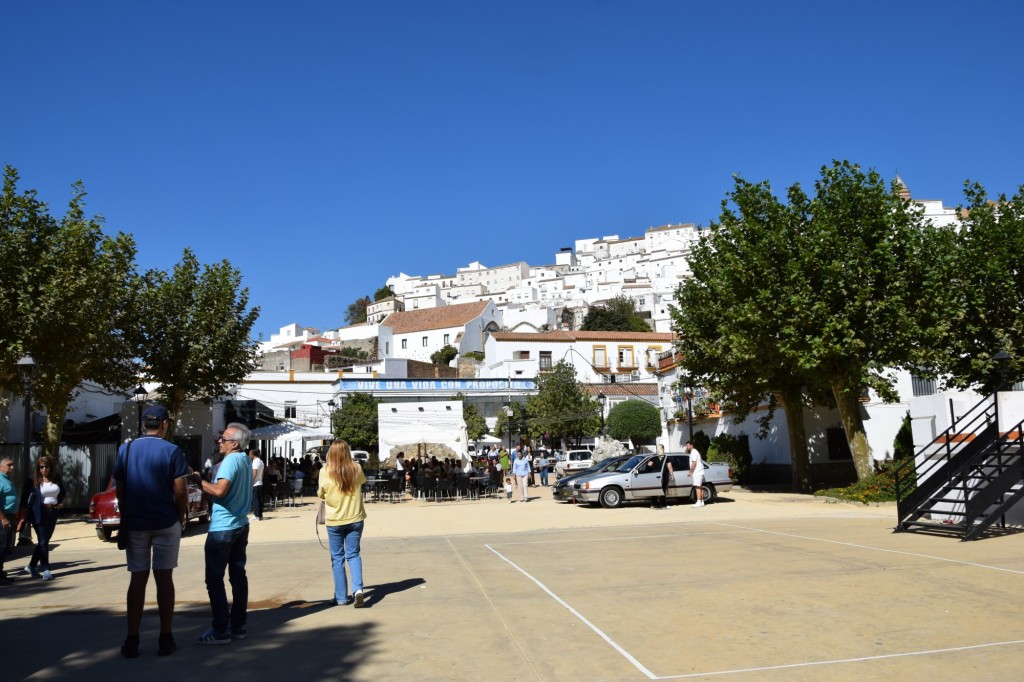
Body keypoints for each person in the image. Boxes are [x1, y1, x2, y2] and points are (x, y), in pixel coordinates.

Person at [114, 405, 189, 658]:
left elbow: (120, 488)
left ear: (144, 424)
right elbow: (180, 490)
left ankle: (131, 639)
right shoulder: (172, 450)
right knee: (164, 578)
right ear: (165, 424)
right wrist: (180, 516)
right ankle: (165, 637)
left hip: (136, 522)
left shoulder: (127, 449)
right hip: (165, 520)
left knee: (137, 578)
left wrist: (126, 514)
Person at [194, 422, 253, 644]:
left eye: (223, 439)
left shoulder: (230, 461)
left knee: (214, 579)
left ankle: (220, 630)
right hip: (240, 524)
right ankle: (238, 626)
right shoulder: (246, 460)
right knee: (238, 576)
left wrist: (197, 481)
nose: (219, 441)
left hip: (223, 527)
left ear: (235, 443)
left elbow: (219, 490)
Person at [317, 440, 368, 608]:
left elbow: (320, 494)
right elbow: (362, 483)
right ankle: (358, 590)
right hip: (355, 517)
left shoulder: (325, 471)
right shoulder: (357, 468)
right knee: (353, 554)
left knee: (337, 558)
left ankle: (340, 597)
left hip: (335, 520)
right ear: (347, 452)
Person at [21, 455, 65, 580]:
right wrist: (22, 516)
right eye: (41, 467)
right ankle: (46, 569)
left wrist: (61, 503)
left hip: (53, 512)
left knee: (44, 541)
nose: (44, 469)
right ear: (38, 468)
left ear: (51, 467)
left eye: (46, 466)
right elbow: (25, 499)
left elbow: (63, 492)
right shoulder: (33, 480)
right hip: (39, 513)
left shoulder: (56, 478)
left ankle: (31, 566)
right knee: (44, 541)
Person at [0, 457, 20, 585]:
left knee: (6, 546)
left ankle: (1, 573)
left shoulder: (7, 480)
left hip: (10, 516)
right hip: (3, 517)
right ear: (1, 467)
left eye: (13, 465)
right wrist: (3, 518)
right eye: (9, 465)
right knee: (1, 546)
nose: (12, 467)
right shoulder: (0, 480)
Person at [687, 441, 706, 508]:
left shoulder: (694, 452)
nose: (687, 447)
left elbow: (694, 463)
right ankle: (702, 501)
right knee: (699, 487)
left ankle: (698, 502)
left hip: (697, 472)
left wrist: (690, 471)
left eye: (688, 445)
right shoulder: (694, 452)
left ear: (691, 445)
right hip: (699, 472)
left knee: (697, 487)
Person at [250, 447, 265, 521]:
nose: (249, 454)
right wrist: (261, 480)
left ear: (253, 454)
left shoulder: (255, 462)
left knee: (255, 499)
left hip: (255, 483)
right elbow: (262, 473)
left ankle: (256, 515)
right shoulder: (261, 461)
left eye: (250, 453)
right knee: (260, 499)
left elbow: (254, 473)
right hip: (260, 482)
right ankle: (260, 515)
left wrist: (251, 482)